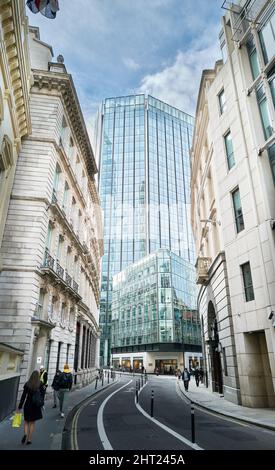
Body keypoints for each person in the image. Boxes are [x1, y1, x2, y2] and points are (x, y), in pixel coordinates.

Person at [18, 370, 44, 445]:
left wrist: (20, 406)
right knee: (32, 423)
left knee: (26, 421)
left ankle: (25, 434)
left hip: (27, 405)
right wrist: (42, 404)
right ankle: (29, 439)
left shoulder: (27, 384)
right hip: (35, 406)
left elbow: (23, 396)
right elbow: (42, 395)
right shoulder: (40, 384)